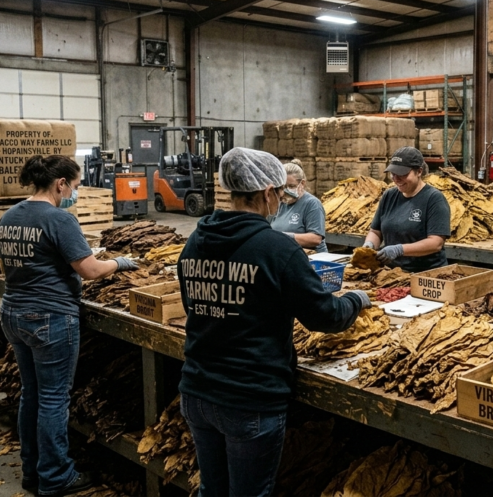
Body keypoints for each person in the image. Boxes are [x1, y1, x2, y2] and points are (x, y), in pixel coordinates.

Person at [177, 148, 371, 497]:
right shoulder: (277, 249)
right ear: (268, 193)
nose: (281, 202)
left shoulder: (196, 240)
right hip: (249, 396)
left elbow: (193, 304)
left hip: (196, 390)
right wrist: (356, 300)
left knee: (212, 491)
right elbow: (324, 317)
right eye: (280, 195)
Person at [0, 155, 137, 497]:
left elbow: (8, 264)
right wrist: (119, 262)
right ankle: (56, 477)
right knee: (54, 399)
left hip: (13, 312)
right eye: (73, 187)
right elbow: (88, 270)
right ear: (60, 184)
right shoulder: (59, 219)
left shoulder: (9, 216)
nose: (73, 193)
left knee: (32, 394)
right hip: (49, 319)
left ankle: (33, 471)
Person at [362, 147, 451, 272]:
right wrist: (369, 245)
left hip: (426, 275)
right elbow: (376, 231)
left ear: (419, 171)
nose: (396, 179)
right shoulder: (389, 196)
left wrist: (400, 250)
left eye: (403, 174)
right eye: (393, 174)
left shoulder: (434, 199)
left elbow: (435, 243)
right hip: (393, 273)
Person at [270, 160, 327, 252]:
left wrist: (281, 236)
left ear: (302, 184)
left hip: (310, 259)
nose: (286, 191)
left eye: (291, 186)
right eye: (283, 187)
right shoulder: (279, 203)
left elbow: (315, 239)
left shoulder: (312, 204)